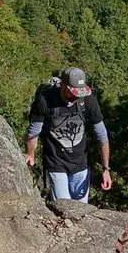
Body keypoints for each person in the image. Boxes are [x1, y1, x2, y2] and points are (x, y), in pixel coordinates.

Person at [24, 66, 112, 201]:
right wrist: (30, 154)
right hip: (55, 162)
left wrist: (106, 169)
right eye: (74, 92)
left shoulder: (87, 100)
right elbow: (34, 131)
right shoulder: (45, 100)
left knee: (81, 209)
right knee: (63, 206)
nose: (77, 96)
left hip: (81, 163)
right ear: (63, 85)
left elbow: (102, 136)